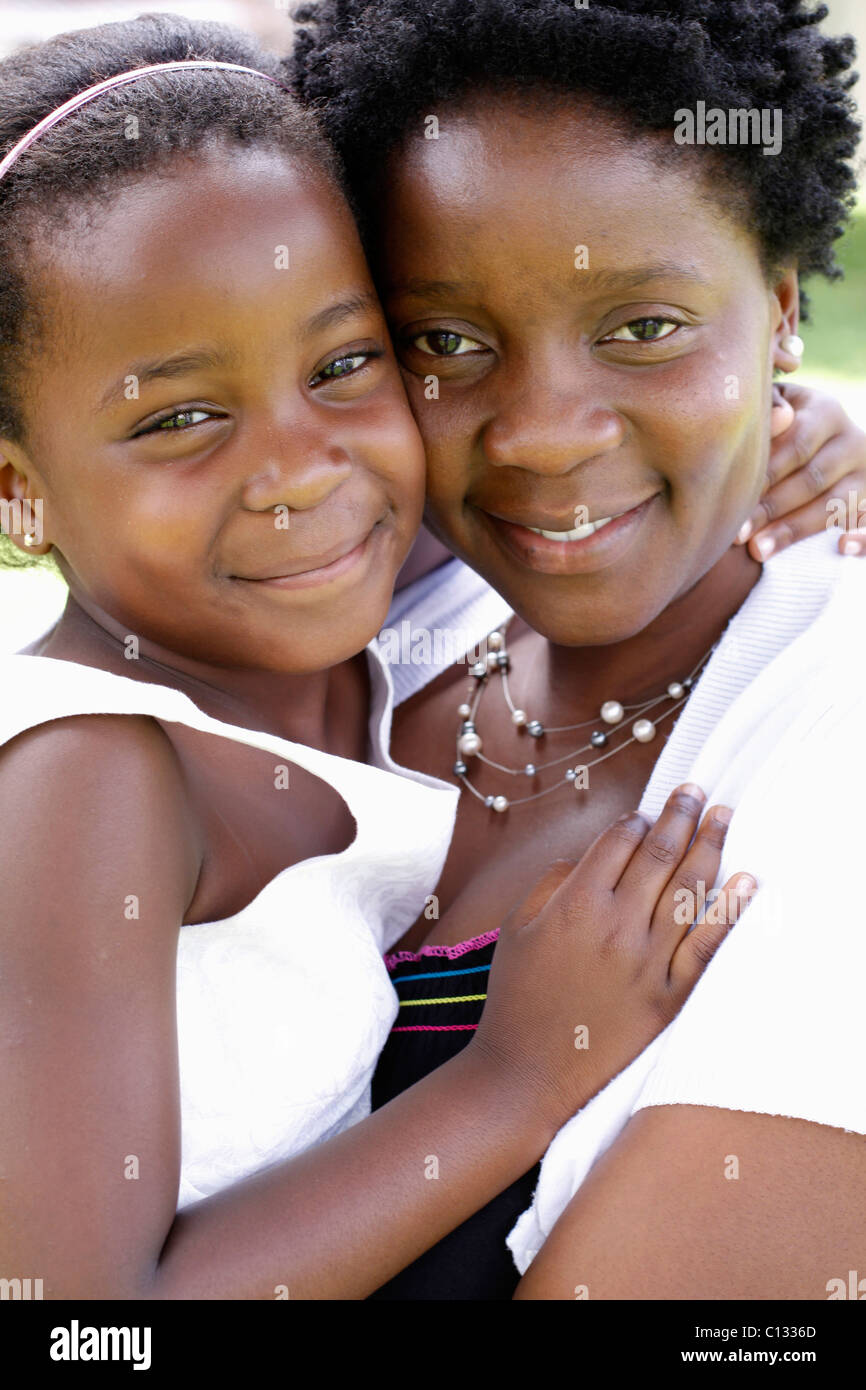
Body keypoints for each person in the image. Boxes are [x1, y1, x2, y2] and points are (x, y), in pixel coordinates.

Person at [0, 12, 763, 1301]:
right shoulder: (94, 777)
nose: (303, 468)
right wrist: (514, 1079)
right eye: (182, 416)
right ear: (19, 492)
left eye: (347, 362)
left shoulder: (347, 616)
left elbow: (601, 462)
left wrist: (809, 426)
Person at [293, 0, 866, 1298]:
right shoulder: (365, 653)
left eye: (645, 326)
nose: (543, 434)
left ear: (779, 311)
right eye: (444, 340)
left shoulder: (835, 738)